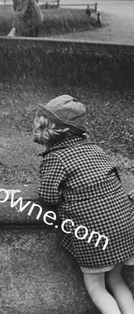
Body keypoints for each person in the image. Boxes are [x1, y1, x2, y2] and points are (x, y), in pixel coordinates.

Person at [35, 95, 134, 314]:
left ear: (51, 129)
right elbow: (115, 180)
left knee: (97, 287)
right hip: (124, 224)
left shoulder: (56, 159)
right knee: (116, 281)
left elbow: (48, 198)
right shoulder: (96, 150)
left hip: (93, 233)